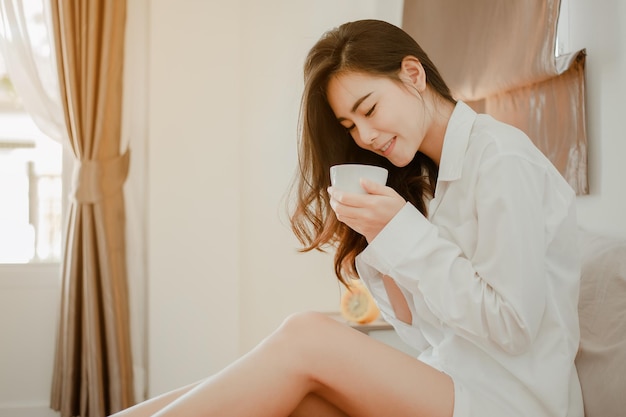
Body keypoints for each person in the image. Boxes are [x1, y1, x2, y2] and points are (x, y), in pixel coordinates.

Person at [111, 19, 583, 417]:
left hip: (515, 400)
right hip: (454, 382)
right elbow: (424, 335)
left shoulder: (501, 158)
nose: (366, 135)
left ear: (413, 74)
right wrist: (385, 238)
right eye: (351, 126)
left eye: (370, 109)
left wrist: (404, 234)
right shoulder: (430, 181)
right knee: (299, 397)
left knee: (306, 334)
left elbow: (513, 327)